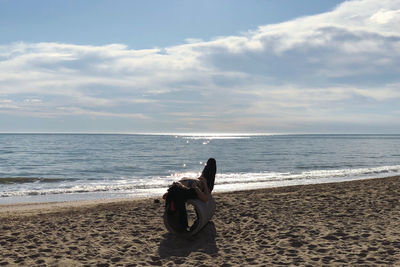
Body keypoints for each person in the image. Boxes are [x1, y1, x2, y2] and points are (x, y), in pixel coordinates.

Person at [163, 158, 216, 231]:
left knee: (179, 197)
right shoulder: (196, 188)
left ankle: (182, 224)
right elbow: (206, 198)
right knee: (180, 197)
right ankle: (183, 225)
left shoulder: (195, 186)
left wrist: (204, 185)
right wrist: (205, 185)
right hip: (184, 187)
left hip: (182, 185)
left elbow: (206, 198)